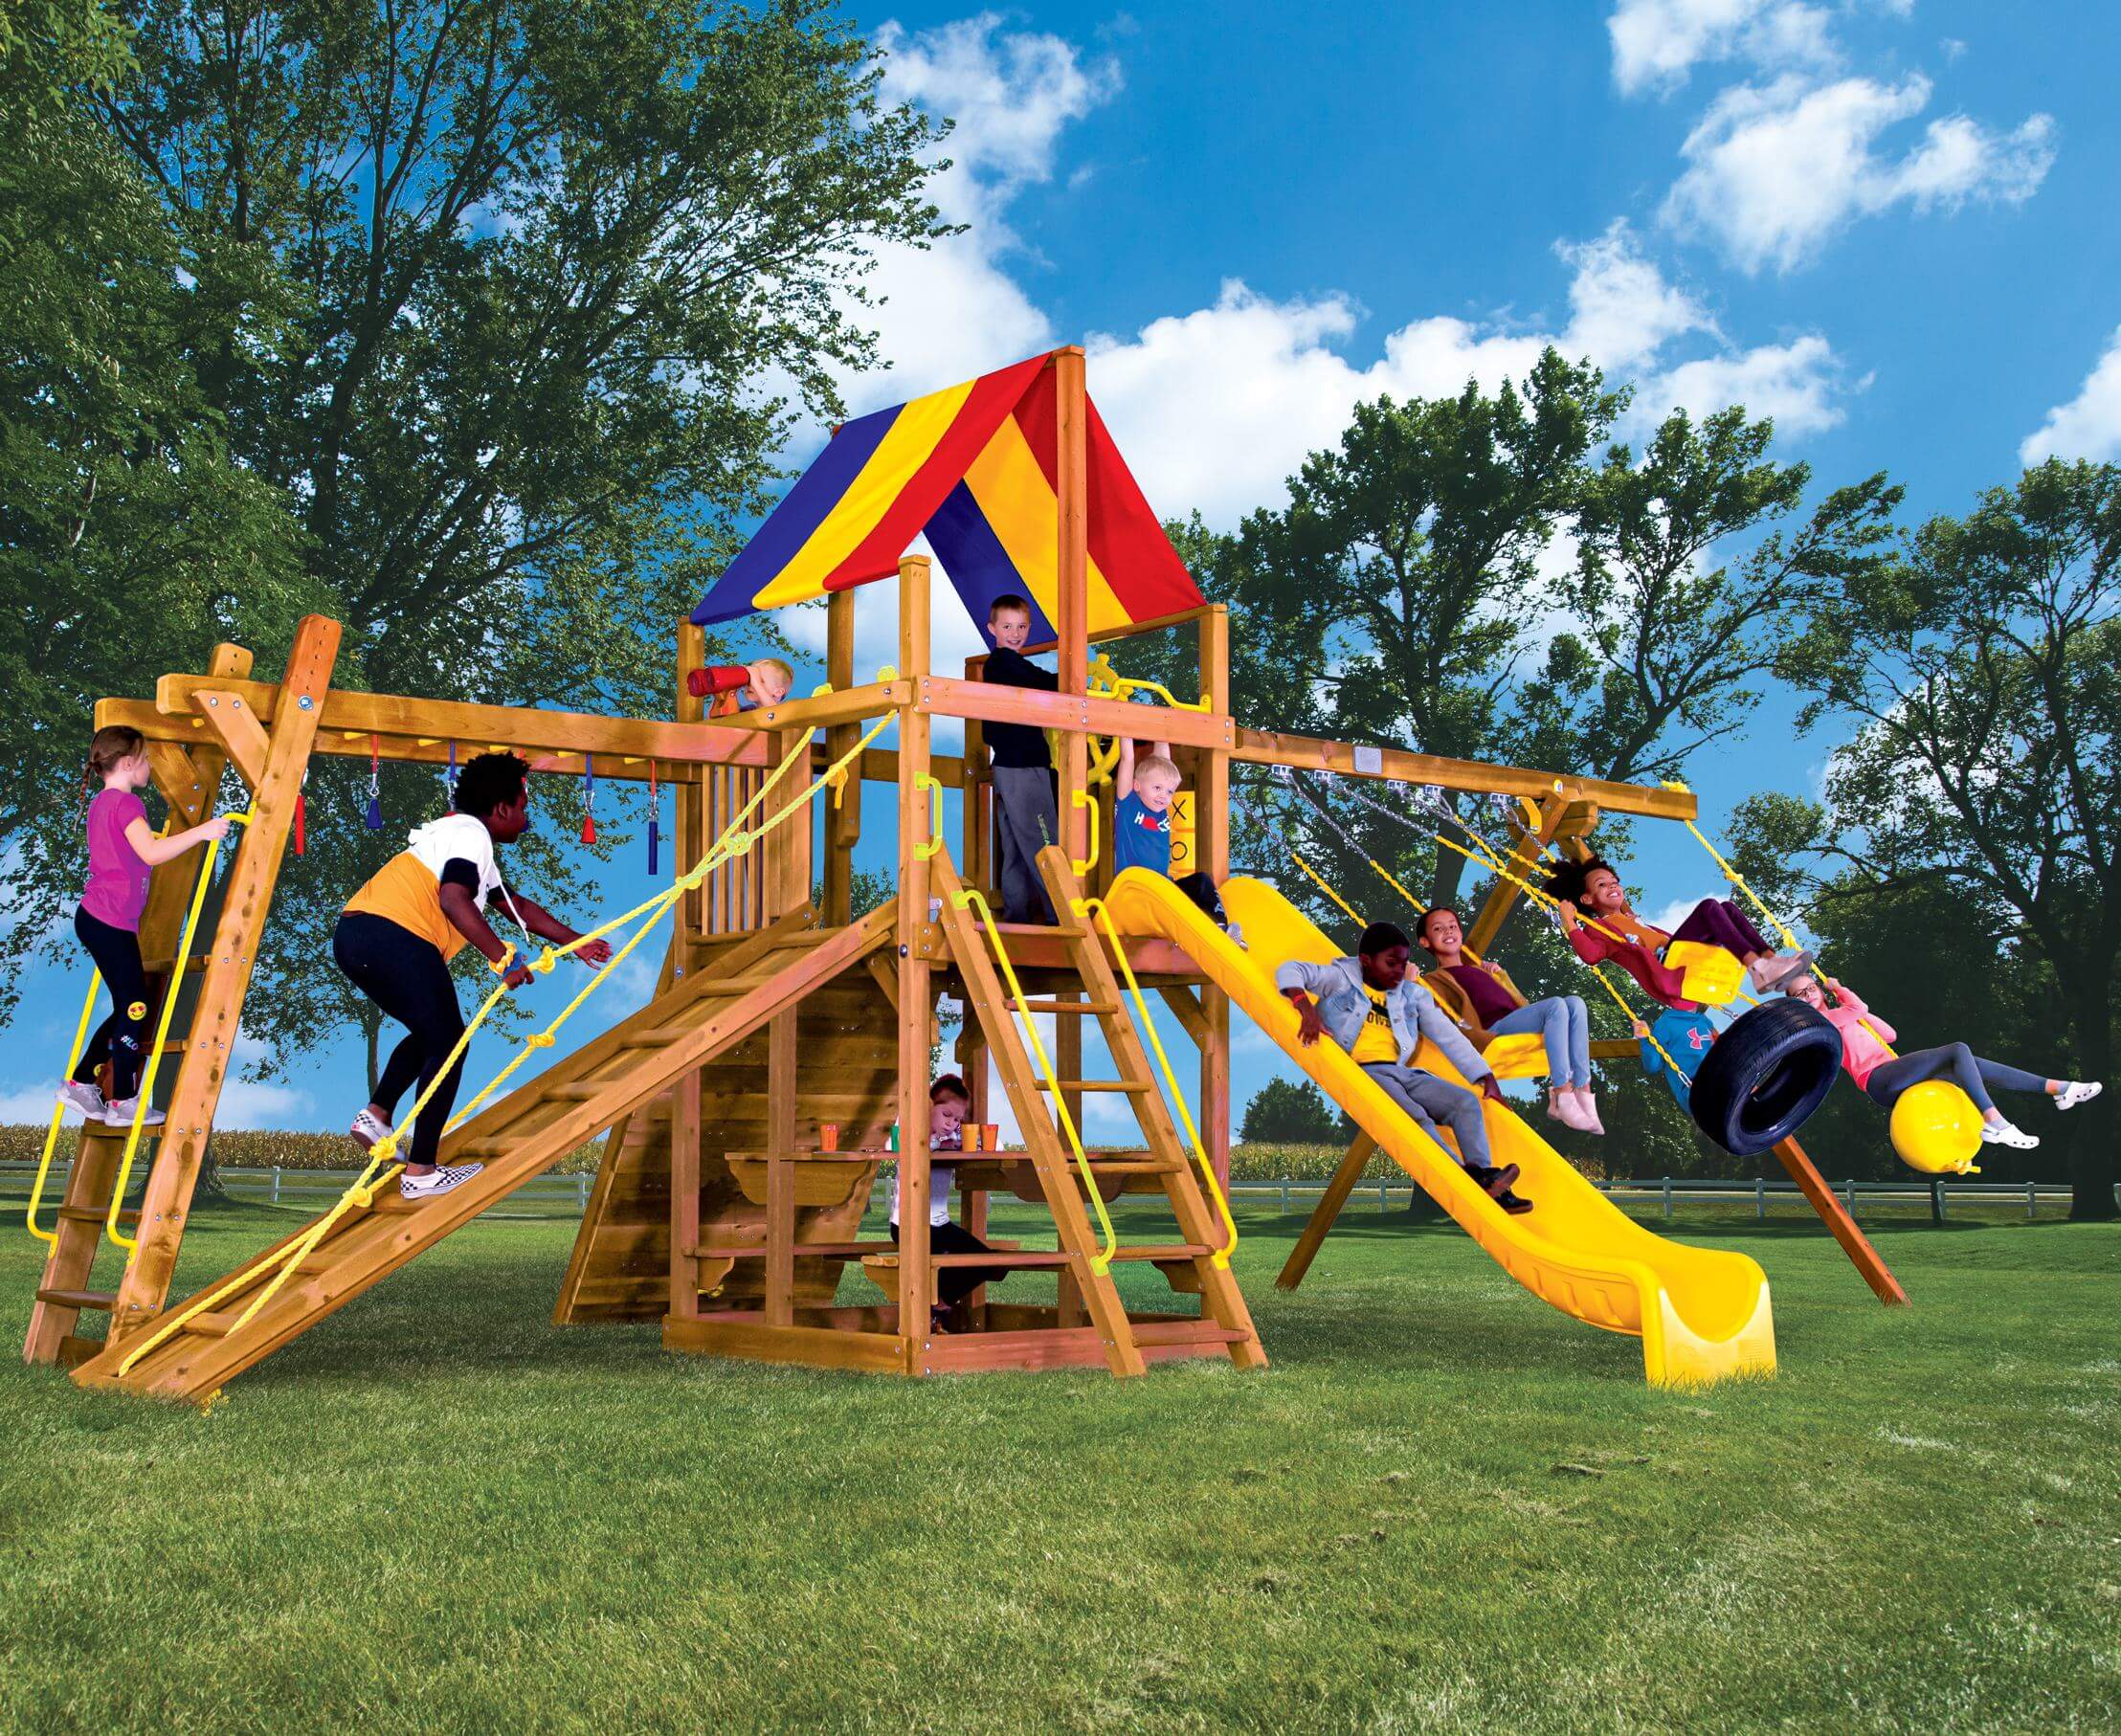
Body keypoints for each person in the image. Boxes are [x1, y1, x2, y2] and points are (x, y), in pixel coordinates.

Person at [333, 752, 614, 1199]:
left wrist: (575, 941)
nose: (525, 820)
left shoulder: (458, 836)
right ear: (500, 808)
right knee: (450, 1042)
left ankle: (376, 1114)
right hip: (393, 932)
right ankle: (422, 1171)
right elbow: (453, 899)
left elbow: (514, 906)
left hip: (358, 934)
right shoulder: (471, 834)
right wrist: (502, 957)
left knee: (436, 1035)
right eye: (522, 809)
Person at [1276, 921, 1531, 1213]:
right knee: (1416, 1116)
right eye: (1391, 963)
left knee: (1464, 1102)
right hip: (1364, 1072)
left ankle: (1489, 1183)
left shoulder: (1411, 995)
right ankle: (1470, 1178)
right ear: (1366, 961)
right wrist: (1305, 1007)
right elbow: (1290, 969)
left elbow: (1447, 1034)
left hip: (1401, 1072)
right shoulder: (1341, 978)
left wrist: (1485, 1075)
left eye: (1404, 963)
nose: (1399, 971)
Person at [57, 725, 233, 1128]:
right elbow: (151, 854)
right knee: (137, 1006)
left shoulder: (104, 803)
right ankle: (121, 1100)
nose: (151, 765)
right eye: (146, 758)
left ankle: (83, 1082)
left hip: (101, 918)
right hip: (109, 920)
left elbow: (129, 850)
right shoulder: (126, 806)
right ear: (128, 763)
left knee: (129, 1004)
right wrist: (203, 832)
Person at [1782, 973, 2101, 1150]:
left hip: (1892, 1068)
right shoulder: (1817, 1024)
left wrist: (1859, 1012)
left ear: (1818, 988)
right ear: (1795, 1003)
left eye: (1811, 987)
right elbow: (1856, 1008)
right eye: (1799, 994)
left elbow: (1889, 1035)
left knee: (1969, 1062)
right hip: (1879, 1080)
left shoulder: (1844, 1016)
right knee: (1957, 1049)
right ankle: (1994, 1122)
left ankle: (2060, 1088)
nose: (1808, 994)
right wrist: (1843, 990)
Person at [1415, 905, 1600, 1134]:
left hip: (1515, 1018)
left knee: (1575, 1003)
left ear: (1461, 933)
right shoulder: (1434, 979)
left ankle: (1583, 1090)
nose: (1448, 932)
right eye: (1438, 929)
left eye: (1453, 926)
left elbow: (1517, 1000)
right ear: (1425, 942)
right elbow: (1430, 1011)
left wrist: (1501, 976)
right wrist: (1413, 983)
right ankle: (1562, 1093)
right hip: (1493, 1029)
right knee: (1556, 1006)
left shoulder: (1481, 969)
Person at [1546, 856, 1812, 1000]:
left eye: (1615, 882)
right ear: (1587, 899)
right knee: (1709, 907)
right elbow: (1591, 955)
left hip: (1682, 954)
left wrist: (1620, 901)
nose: (1613, 887)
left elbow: (1622, 906)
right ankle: (1759, 967)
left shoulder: (1630, 916)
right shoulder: (1598, 928)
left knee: (1728, 909)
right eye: (1602, 885)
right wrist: (1569, 921)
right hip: (1668, 962)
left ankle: (1769, 961)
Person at [890, 1075, 1007, 1330]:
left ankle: (936, 1303)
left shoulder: (953, 1137)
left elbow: (997, 1145)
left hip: (939, 1225)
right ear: (929, 1107)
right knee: (936, 1264)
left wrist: (968, 1140)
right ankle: (927, 1312)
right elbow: (892, 1142)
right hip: (908, 1223)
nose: (951, 1123)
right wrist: (935, 1140)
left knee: (995, 1266)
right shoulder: (909, 1129)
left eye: (957, 1119)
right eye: (946, 1115)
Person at [979, 593, 1061, 924]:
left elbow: (1034, 678)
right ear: (992, 629)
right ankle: (1061, 915)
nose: (1015, 633)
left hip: (1006, 767)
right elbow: (1041, 680)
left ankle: (1017, 916)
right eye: (1007, 626)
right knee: (1044, 842)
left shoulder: (1006, 666)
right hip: (1024, 766)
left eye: (1022, 626)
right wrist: (1071, 683)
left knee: (1013, 844)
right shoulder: (1003, 662)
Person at [1112, 736, 1235, 935]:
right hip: (1134, 888)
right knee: (1177, 897)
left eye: (1169, 791)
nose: (1164, 796)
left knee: (1201, 881)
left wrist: (1164, 728)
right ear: (1137, 786)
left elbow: (1164, 762)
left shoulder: (1161, 811)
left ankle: (1221, 926)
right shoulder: (1128, 804)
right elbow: (1127, 758)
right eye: (1157, 788)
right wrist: (1126, 726)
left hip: (1162, 889)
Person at [1632, 1009, 1721, 1107]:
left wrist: (1644, 1039)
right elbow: (1652, 1065)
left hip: (1715, 1084)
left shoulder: (1704, 1021)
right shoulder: (1667, 1023)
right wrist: (1645, 1039)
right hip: (1696, 1090)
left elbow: (1652, 1065)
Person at [686, 657, 793, 718]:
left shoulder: (785, 712)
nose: (751, 683)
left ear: (779, 692)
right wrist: (721, 691)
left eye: (760, 680)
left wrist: (755, 682)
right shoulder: (745, 712)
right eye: (750, 679)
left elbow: (773, 713)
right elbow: (714, 719)